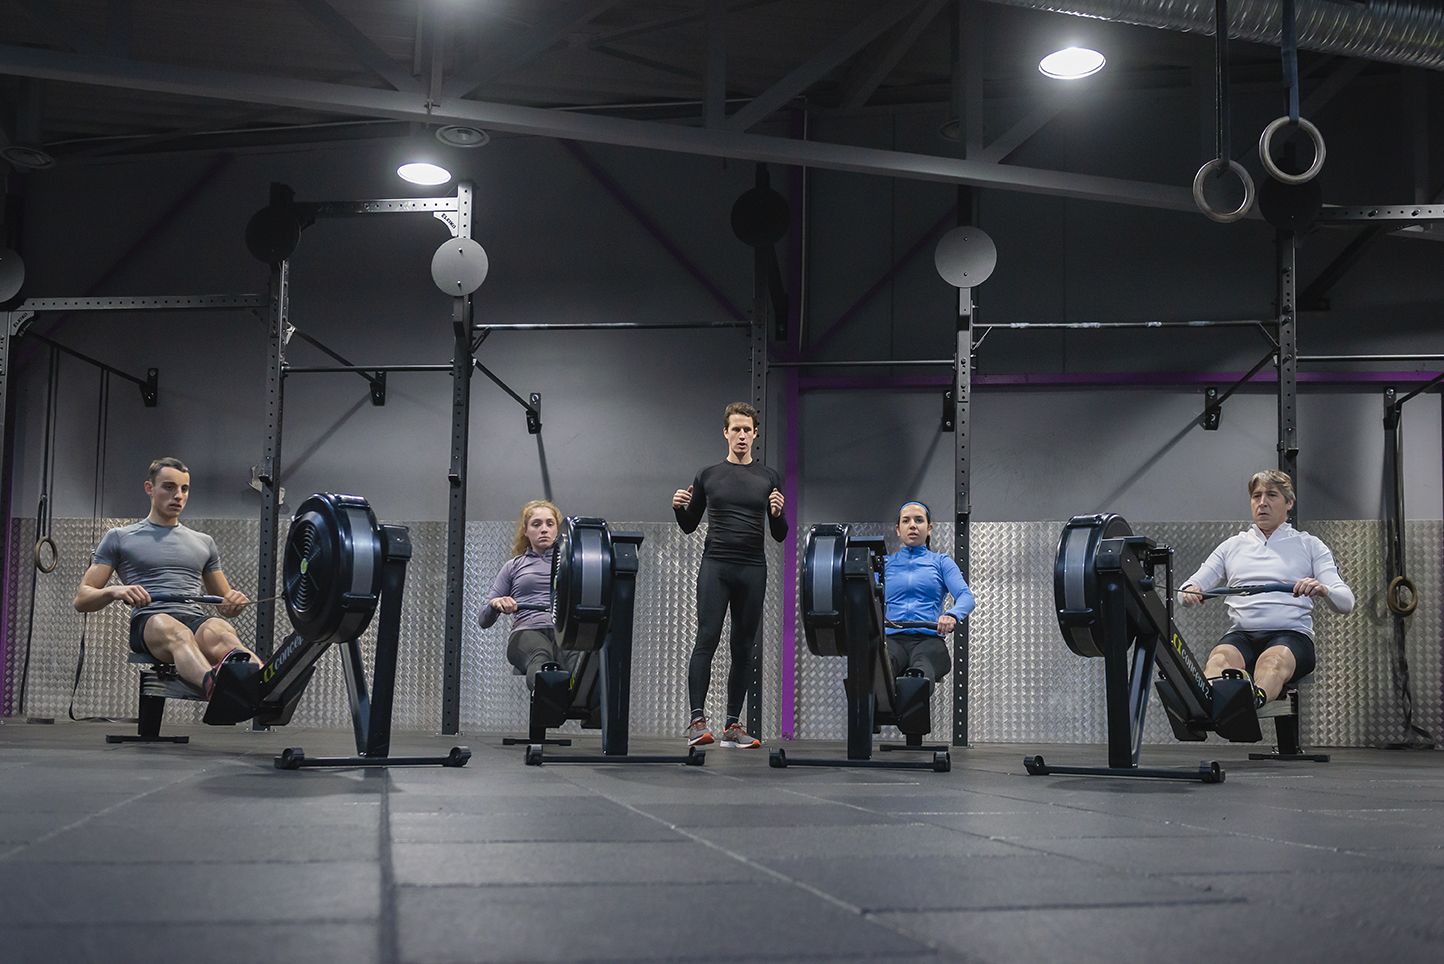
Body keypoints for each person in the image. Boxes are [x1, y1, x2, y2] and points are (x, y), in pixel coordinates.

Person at [73, 457, 259, 697]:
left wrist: (234, 602)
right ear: (150, 489)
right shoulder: (119, 537)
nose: (178, 495)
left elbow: (224, 600)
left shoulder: (204, 542)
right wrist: (114, 591)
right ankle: (216, 689)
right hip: (150, 621)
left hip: (193, 619)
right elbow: (82, 599)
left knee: (221, 630)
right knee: (176, 631)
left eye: (184, 488)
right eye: (169, 487)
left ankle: (263, 683)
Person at [1179, 469, 1354, 707]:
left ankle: (1250, 705)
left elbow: (1346, 602)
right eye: (1256, 496)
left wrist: (1323, 589)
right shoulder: (1232, 546)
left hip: (1291, 636)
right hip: (1242, 636)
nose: (1262, 503)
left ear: (1289, 502)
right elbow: (1187, 588)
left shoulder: (1310, 545)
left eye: (1271, 495)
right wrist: (1191, 589)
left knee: (1271, 662)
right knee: (1218, 660)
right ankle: (1212, 707)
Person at [673, 401, 787, 749]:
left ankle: (733, 726)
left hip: (752, 567)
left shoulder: (768, 477)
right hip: (716, 566)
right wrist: (679, 508)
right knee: (707, 639)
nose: (741, 435)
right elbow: (690, 526)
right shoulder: (708, 475)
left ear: (755, 434)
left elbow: (779, 534)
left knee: (743, 646)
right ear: (725, 433)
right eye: (735, 429)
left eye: (746, 429)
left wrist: (779, 514)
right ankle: (696, 721)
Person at [478, 499, 573, 690]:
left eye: (549, 523)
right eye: (536, 524)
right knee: (540, 656)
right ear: (526, 531)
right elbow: (483, 619)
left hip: (565, 632)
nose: (543, 529)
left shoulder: (572, 565)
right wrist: (497, 603)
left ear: (558, 530)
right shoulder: (514, 566)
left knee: (584, 665)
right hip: (528, 631)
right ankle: (548, 709)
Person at [884, 501, 975, 682]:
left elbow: (966, 597)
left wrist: (952, 615)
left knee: (918, 677)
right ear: (897, 529)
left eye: (919, 520)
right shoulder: (884, 564)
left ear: (929, 528)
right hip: (891, 640)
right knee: (878, 676)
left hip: (928, 640)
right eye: (906, 521)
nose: (912, 525)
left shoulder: (941, 562)